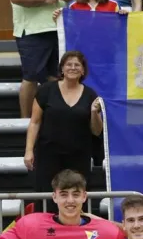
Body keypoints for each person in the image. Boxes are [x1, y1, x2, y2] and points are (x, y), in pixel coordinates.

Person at [8, 0, 72, 119]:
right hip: (33, 32)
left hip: (57, 28)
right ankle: (25, 121)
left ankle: (52, 118)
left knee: (55, 76)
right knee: (31, 77)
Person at [24, 51, 103, 194]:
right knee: (47, 195)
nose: (73, 68)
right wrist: (29, 150)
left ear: (83, 70)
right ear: (62, 69)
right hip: (48, 155)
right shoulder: (46, 90)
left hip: (79, 156)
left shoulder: (91, 95)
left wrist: (94, 112)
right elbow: (34, 122)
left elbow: (96, 131)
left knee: (76, 194)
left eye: (77, 65)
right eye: (69, 64)